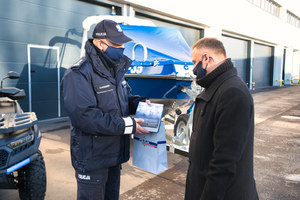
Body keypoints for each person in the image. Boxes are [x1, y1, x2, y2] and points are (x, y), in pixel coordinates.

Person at [61, 19, 149, 200]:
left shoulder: (114, 70)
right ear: (99, 43)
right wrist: (127, 125)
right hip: (92, 160)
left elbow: (120, 99)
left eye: (122, 43)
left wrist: (138, 103)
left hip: (113, 157)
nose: (121, 48)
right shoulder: (78, 74)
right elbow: (85, 117)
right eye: (116, 44)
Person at [185, 37, 259, 200]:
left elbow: (224, 162)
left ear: (206, 58)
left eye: (194, 62)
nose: (193, 68)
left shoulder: (232, 93)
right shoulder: (216, 88)